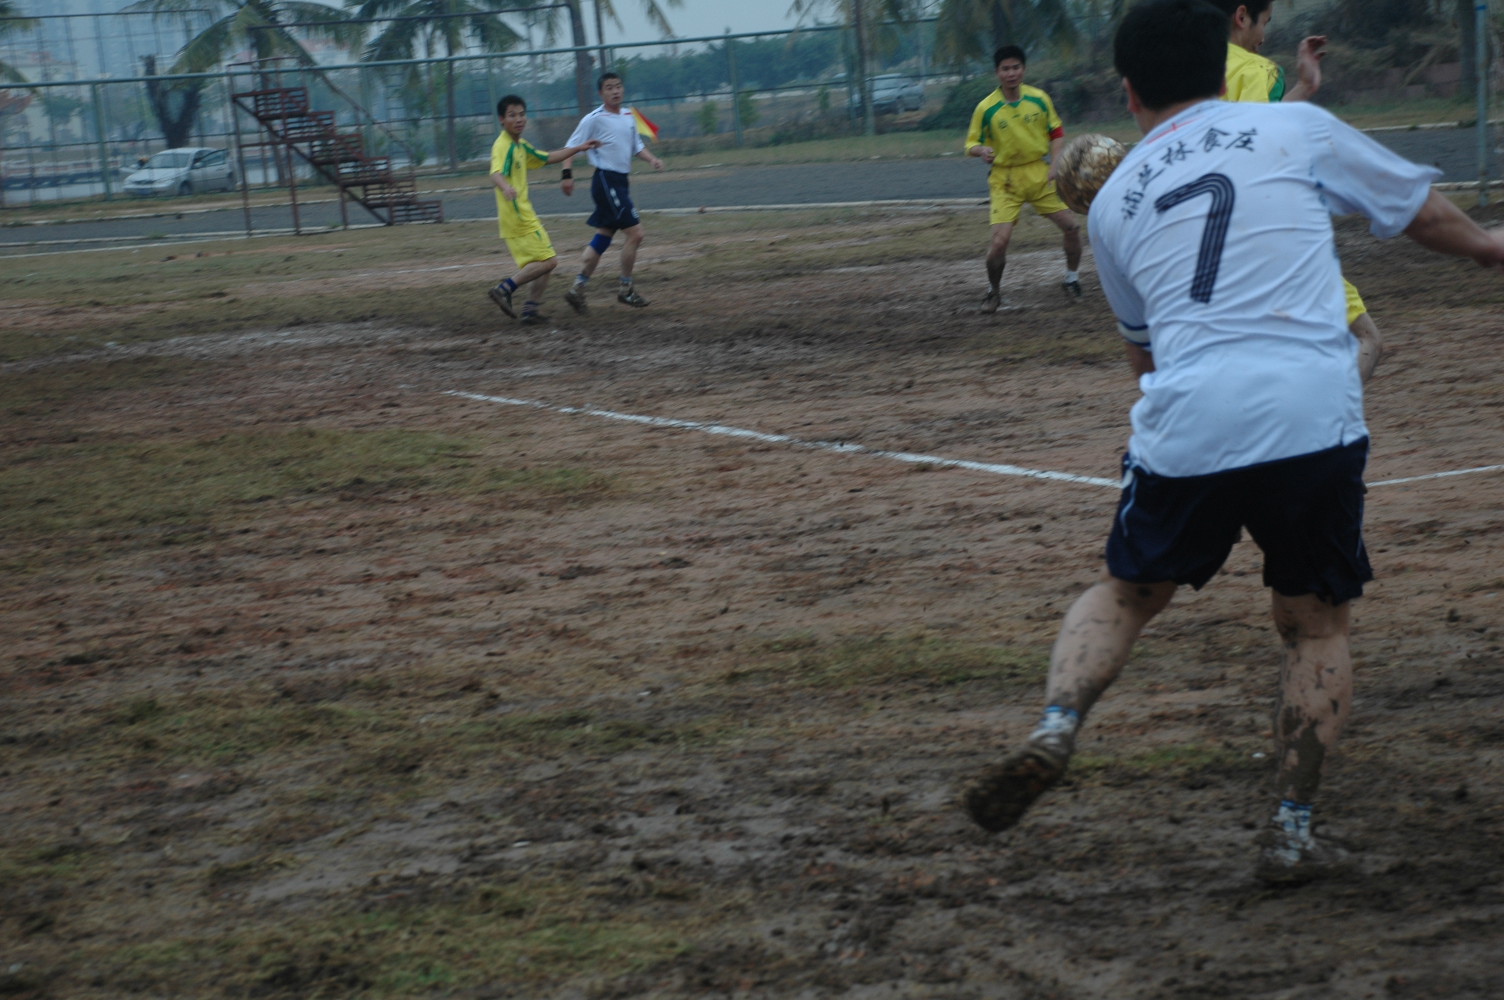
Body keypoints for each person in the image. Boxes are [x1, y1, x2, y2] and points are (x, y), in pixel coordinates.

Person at [960, 0, 1504, 884]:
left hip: (1191, 416)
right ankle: (1289, 832)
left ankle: (1056, 727)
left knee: (1127, 593)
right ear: (1223, 70)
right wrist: (1485, 247)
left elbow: (1145, 355)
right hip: (1311, 414)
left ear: (1129, 92)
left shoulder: (1114, 202)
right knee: (1314, 625)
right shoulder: (1293, 127)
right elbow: (1416, 209)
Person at [1209, 0, 1383, 382]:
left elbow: (1250, 126)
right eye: (1265, 23)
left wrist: (1305, 87)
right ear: (1242, 17)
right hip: (1268, 234)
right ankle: (1323, 416)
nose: (1263, 36)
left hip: (1204, 241)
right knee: (1366, 339)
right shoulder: (1260, 70)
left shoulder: (1186, 70)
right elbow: (1257, 143)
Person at [964, 44, 1084, 314]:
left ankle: (1071, 279)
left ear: (1024, 69)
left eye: (1015, 67)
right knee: (999, 243)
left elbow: (1056, 133)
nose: (1011, 73)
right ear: (997, 73)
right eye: (1005, 69)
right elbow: (970, 144)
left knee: (1072, 227)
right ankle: (993, 291)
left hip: (1039, 174)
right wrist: (981, 150)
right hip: (1005, 180)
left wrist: (1056, 164)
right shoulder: (986, 107)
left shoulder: (1039, 98)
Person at [487, 95, 600, 325]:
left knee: (543, 261)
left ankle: (530, 310)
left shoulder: (520, 145)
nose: (519, 119)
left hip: (522, 213)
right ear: (501, 119)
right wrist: (506, 187)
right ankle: (504, 289)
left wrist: (577, 148)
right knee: (549, 261)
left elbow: (547, 157)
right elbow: (495, 173)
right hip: (518, 215)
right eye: (512, 115)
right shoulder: (503, 145)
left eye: (521, 114)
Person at [559, 71, 664, 312]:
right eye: (609, 87)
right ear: (601, 93)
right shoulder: (594, 119)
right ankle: (626, 289)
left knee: (604, 235)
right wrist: (566, 174)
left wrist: (652, 159)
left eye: (618, 86)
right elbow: (571, 147)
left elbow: (636, 146)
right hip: (606, 181)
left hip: (620, 182)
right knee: (636, 234)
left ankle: (577, 289)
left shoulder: (628, 116)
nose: (615, 91)